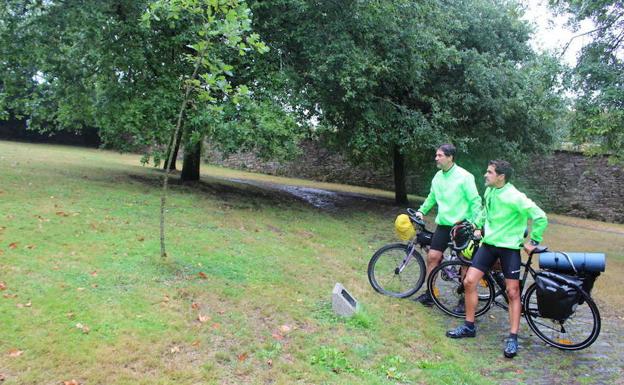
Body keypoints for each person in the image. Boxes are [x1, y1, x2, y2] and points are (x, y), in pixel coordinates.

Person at [446, 160, 548, 359]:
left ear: (501, 176)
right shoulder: (490, 191)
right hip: (489, 245)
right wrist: (477, 224)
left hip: (509, 248)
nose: (486, 175)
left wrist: (533, 241)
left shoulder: (515, 197)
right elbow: (486, 211)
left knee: (512, 292)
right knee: (468, 281)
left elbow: (540, 216)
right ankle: (469, 326)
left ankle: (512, 337)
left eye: (490, 172)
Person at [413, 144, 482, 306]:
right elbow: (432, 197)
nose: (436, 158)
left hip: (462, 226)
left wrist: (474, 224)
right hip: (443, 226)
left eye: (440, 155)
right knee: (432, 257)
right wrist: (421, 211)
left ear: (450, 157)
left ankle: (464, 300)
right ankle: (429, 294)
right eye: (436, 155)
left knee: (465, 262)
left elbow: (475, 201)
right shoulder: (437, 176)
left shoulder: (465, 176)